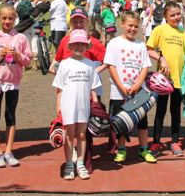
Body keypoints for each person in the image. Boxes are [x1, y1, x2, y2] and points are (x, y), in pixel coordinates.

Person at [0, 5, 32, 168]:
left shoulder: (21, 38)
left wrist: (18, 56)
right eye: (4, 18)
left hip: (13, 83)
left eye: (10, 18)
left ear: (15, 19)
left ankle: (9, 151)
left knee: (10, 115)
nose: (7, 21)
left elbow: (28, 61)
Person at [106, 11, 157, 164]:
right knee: (121, 123)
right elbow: (111, 66)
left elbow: (144, 68)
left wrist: (137, 85)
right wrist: (121, 86)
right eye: (130, 25)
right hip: (118, 92)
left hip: (138, 91)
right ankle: (121, 150)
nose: (133, 29)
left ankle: (143, 149)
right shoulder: (114, 43)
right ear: (122, 24)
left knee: (142, 122)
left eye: (136, 26)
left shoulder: (141, 45)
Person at [53, 29, 102, 180]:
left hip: (84, 106)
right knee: (69, 135)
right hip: (68, 106)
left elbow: (94, 88)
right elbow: (59, 88)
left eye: (82, 44)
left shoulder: (90, 65)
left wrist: (96, 105)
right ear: (70, 46)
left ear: (87, 46)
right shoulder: (64, 64)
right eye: (76, 44)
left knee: (81, 135)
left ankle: (80, 163)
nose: (79, 47)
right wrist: (58, 106)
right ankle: (69, 164)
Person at [147, 1, 185, 157]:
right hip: (163, 81)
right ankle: (156, 142)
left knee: (175, 112)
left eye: (178, 14)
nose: (176, 17)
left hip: (178, 80)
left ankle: (175, 142)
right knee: (160, 111)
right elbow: (149, 48)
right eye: (172, 15)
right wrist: (161, 59)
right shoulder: (160, 29)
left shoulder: (183, 34)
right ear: (165, 16)